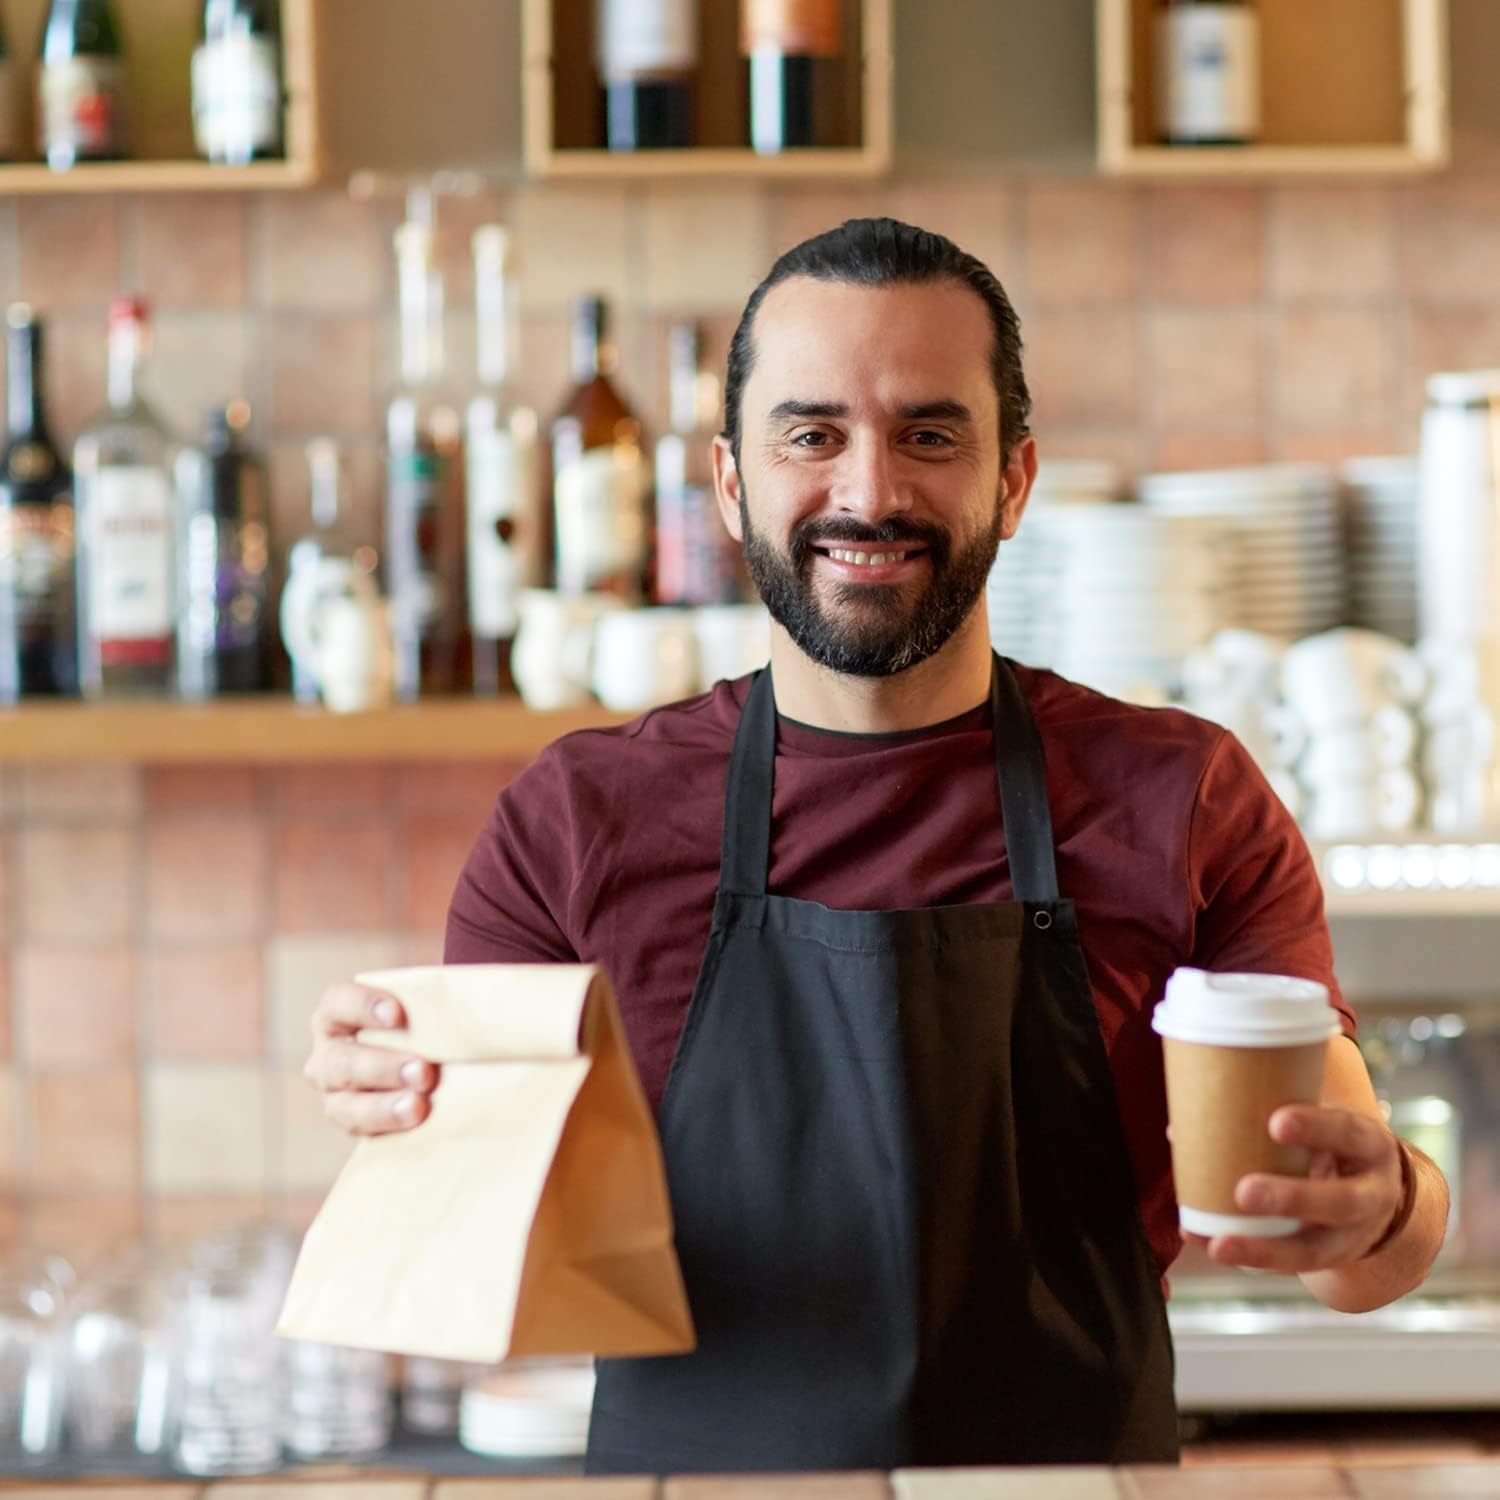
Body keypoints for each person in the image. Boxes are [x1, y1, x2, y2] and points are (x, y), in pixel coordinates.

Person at [304, 218, 1449, 1473]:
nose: (869, 492)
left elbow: (1357, 1257)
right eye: (812, 435)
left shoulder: (1183, 799)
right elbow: (477, 1245)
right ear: (731, 481)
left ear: (1012, 480)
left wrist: (1381, 1201)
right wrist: (400, 1106)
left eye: (929, 434)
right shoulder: (579, 823)